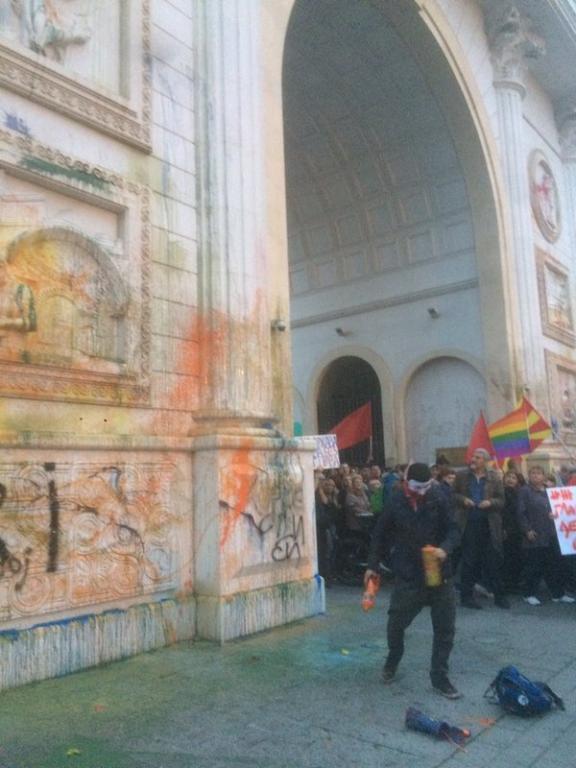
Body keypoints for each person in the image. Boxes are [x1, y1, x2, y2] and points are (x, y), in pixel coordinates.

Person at [364, 463, 462, 699]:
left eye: (426, 487)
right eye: (417, 487)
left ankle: (439, 677)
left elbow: (454, 530)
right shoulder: (396, 501)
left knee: (445, 628)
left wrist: (445, 549)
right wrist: (372, 566)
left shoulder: (439, 496)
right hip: (409, 574)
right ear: (406, 483)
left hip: (440, 573)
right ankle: (393, 659)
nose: (422, 492)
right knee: (396, 624)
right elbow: (379, 535)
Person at [453, 449, 510, 610]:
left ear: (485, 461)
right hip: (468, 523)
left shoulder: (494, 477)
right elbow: (452, 495)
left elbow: (501, 500)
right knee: (470, 561)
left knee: (493, 561)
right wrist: (463, 499)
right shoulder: (462, 476)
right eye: (473, 456)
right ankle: (466, 596)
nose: (473, 459)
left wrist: (490, 502)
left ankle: (500, 597)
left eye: (478, 457)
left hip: (489, 524)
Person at [517, 466, 575, 606]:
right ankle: (528, 593)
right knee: (534, 565)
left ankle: (558, 594)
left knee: (555, 565)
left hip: (552, 533)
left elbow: (558, 507)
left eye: (538, 473)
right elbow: (520, 513)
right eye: (532, 473)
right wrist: (527, 530)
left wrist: (555, 514)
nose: (535, 475)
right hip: (535, 533)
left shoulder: (550, 491)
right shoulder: (525, 491)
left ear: (543, 476)